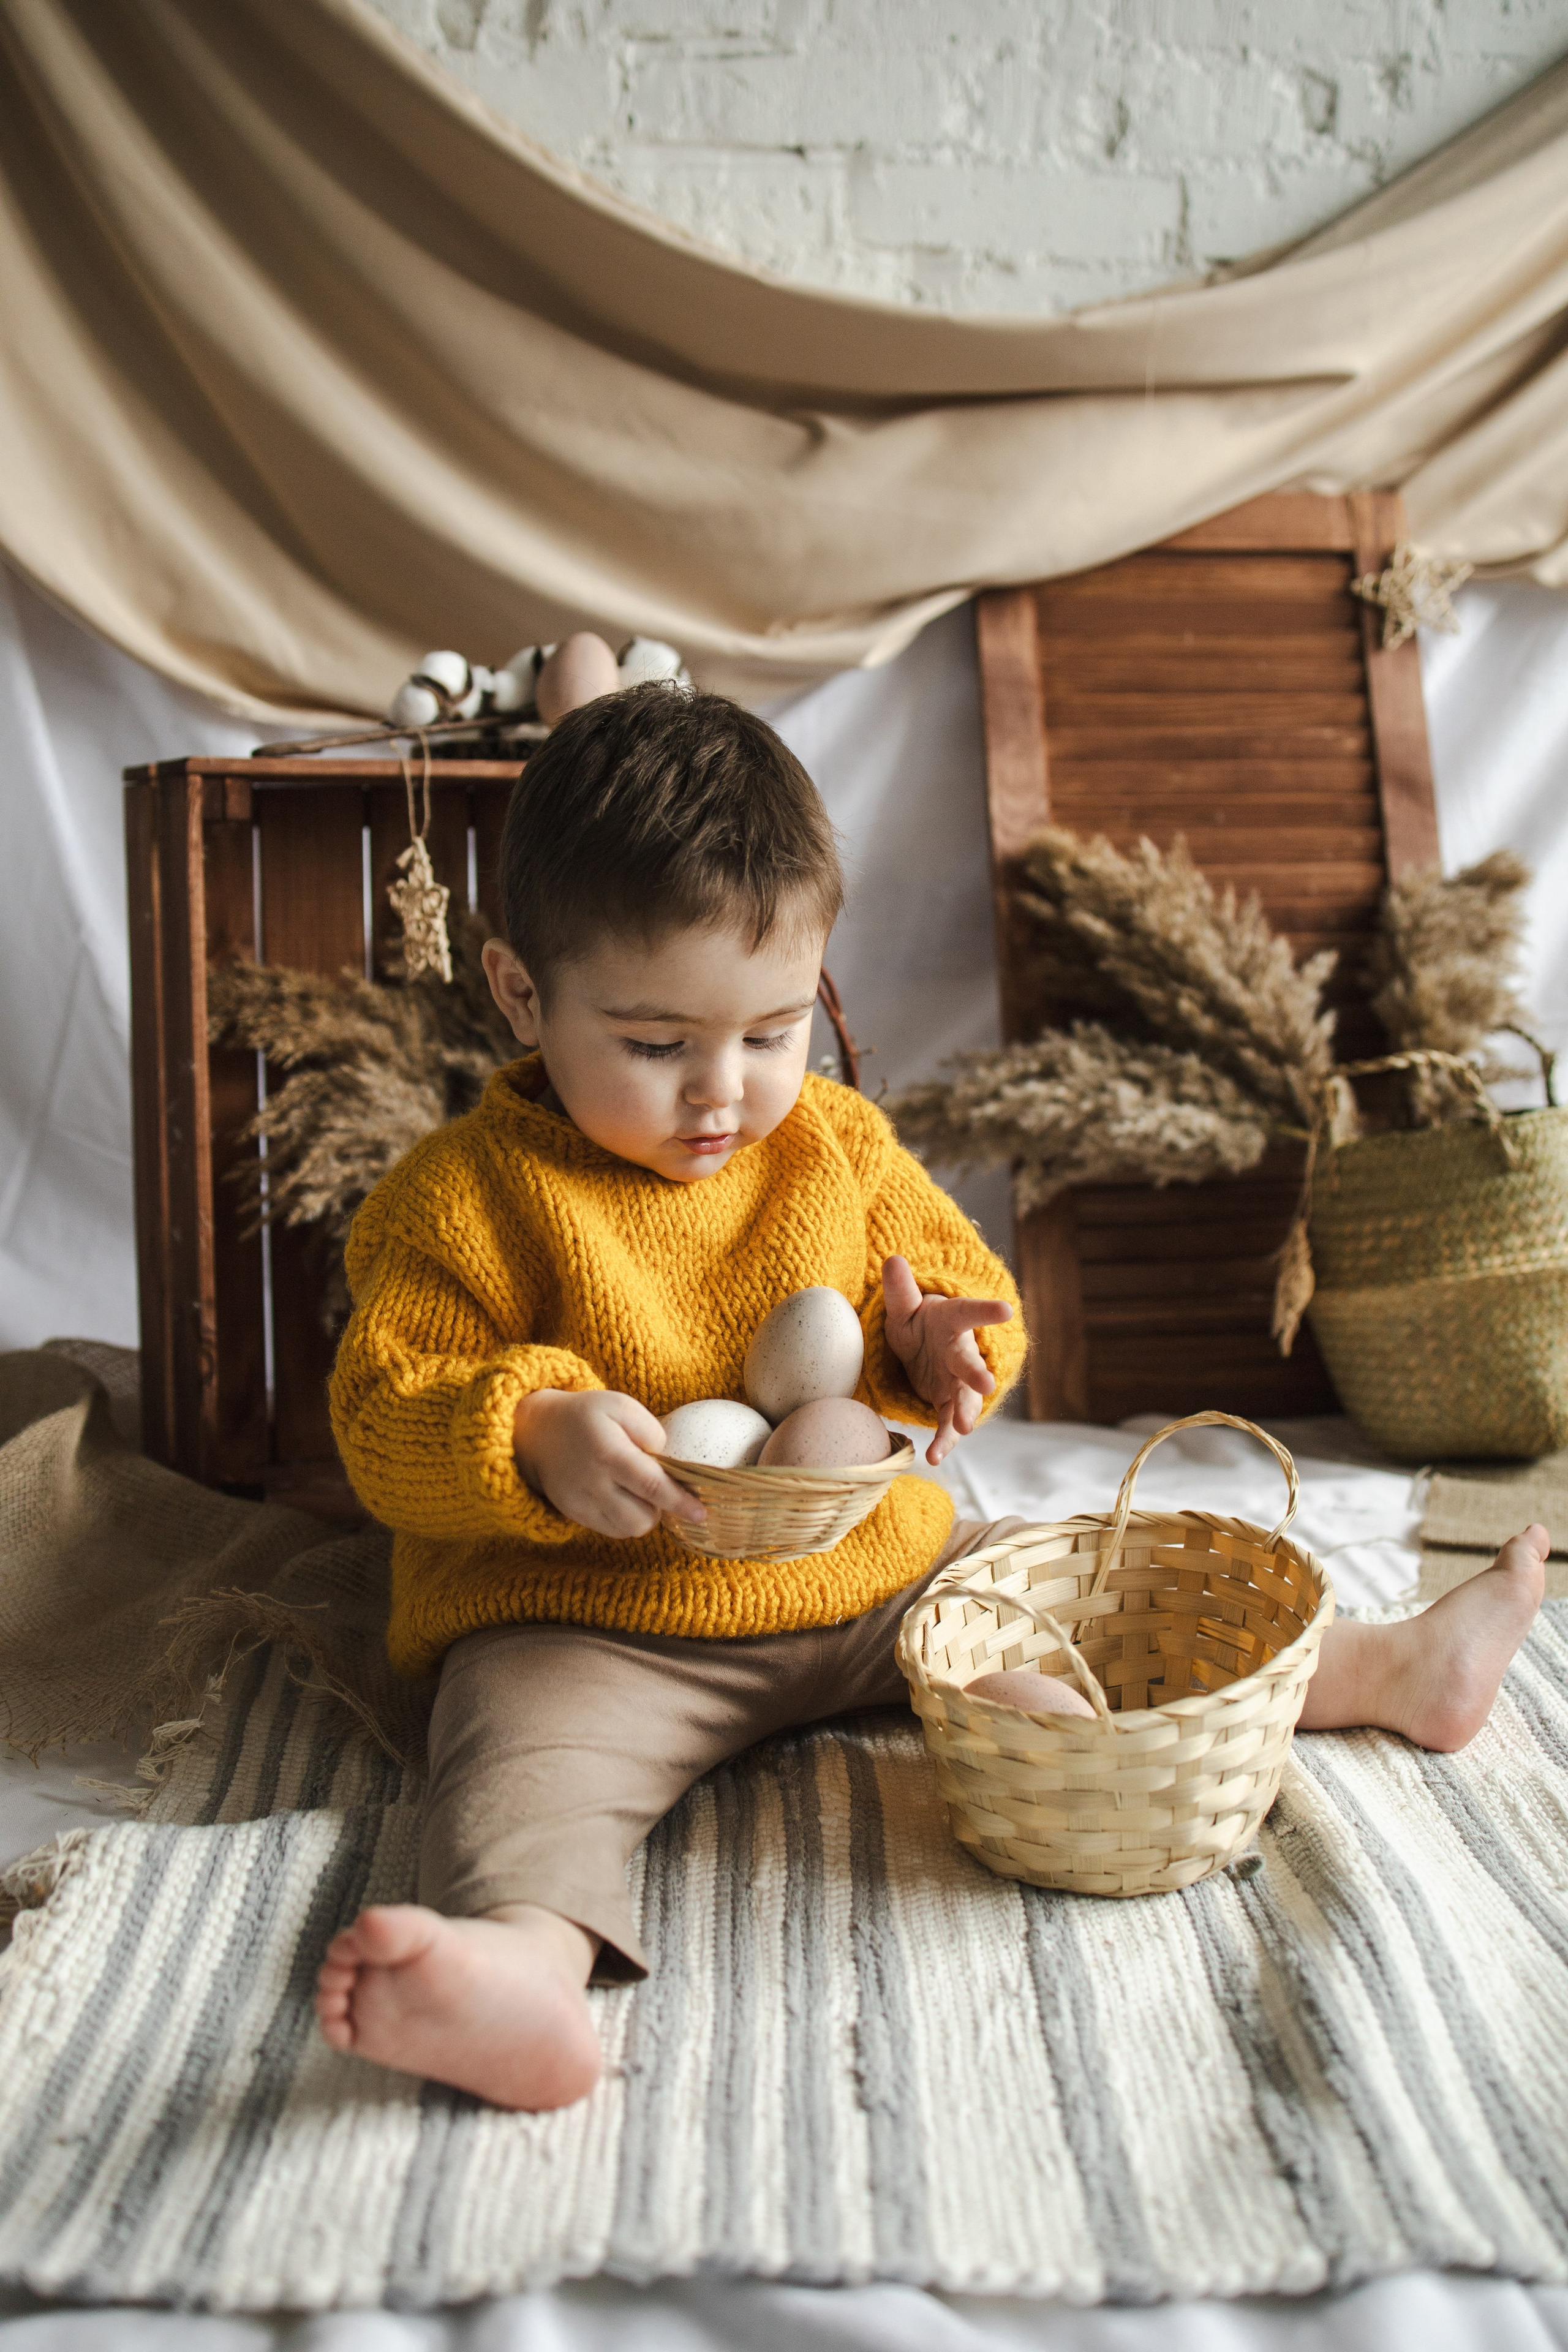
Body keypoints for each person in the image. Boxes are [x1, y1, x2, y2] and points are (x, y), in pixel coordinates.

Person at [315, 683, 1547, 2114]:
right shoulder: (461, 1199)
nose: (722, 1093)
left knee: (1073, 1584)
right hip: (601, 1626)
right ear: (521, 991)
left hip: (862, 1574)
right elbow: (380, 1407)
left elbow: (954, 1281)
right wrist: (526, 1431)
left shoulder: (830, 1142)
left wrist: (952, 1340)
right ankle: (523, 1972)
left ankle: (1381, 1672)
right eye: (655, 1046)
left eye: (770, 1033)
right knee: (512, 1768)